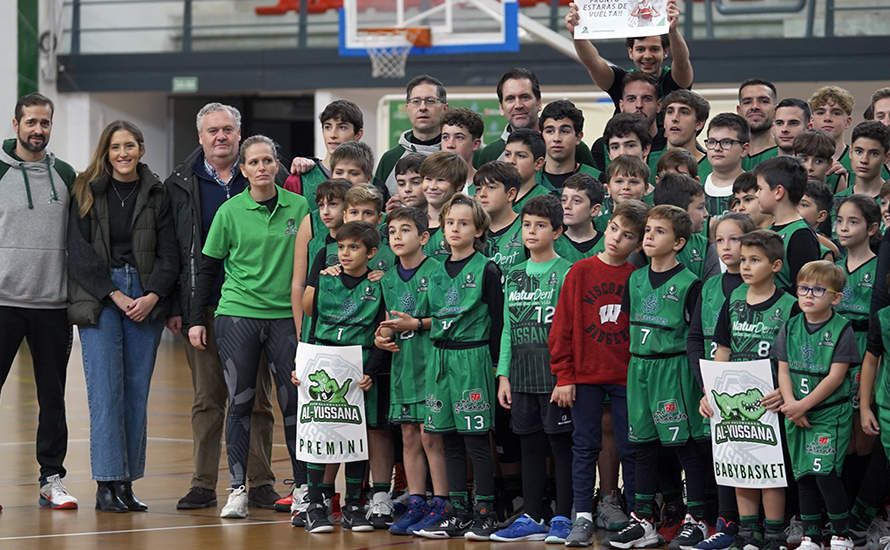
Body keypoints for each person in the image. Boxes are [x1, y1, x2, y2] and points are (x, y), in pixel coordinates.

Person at [166, 103, 283, 511]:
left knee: (257, 400)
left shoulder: (267, 175)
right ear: (200, 137)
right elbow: (176, 250)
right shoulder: (180, 184)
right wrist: (184, 309)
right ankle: (202, 483)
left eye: (228, 130)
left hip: (257, 310)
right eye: (212, 131)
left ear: (239, 134)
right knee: (208, 399)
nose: (220, 137)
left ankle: (261, 480)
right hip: (206, 308)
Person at [187, 135, 311, 519]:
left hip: (285, 319)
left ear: (277, 165)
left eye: (268, 161)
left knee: (293, 405)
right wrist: (195, 318)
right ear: (242, 170)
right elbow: (207, 267)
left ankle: (304, 488)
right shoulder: (230, 211)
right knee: (239, 403)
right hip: (238, 315)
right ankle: (237, 489)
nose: (261, 168)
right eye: (253, 162)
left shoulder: (300, 206)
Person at [66, 120, 178, 512]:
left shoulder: (157, 192)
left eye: (130, 146)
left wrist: (152, 296)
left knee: (135, 393)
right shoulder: (84, 189)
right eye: (116, 147)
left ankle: (126, 484)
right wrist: (113, 292)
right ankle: (105, 484)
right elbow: (77, 252)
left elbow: (170, 253)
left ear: (141, 149)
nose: (123, 154)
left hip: (144, 295)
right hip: (100, 297)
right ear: (106, 151)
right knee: (106, 393)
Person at [609, 204, 710, 550]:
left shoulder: (690, 283)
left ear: (679, 242)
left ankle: (698, 519)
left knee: (685, 446)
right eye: (648, 230)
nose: (649, 236)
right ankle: (643, 520)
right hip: (639, 368)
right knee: (642, 447)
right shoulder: (634, 278)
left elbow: (696, 335)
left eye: (659, 232)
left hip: (673, 367)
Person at [550, 199, 649, 547]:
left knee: (630, 446)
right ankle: (582, 516)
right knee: (584, 445)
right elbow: (561, 327)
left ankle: (637, 517)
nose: (616, 239)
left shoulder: (637, 278)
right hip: (585, 376)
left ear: (638, 245)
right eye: (613, 230)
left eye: (627, 236)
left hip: (625, 377)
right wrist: (564, 375)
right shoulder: (579, 272)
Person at [0, 92, 77, 510]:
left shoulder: (65, 174)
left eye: (45, 123)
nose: (38, 130)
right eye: (30, 122)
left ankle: (52, 479)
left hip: (52, 306)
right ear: (16, 124)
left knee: (53, 396)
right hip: (2, 303)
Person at [416, 194, 504, 540]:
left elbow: (498, 322)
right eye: (450, 222)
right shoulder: (435, 270)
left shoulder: (487, 268)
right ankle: (457, 510)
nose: (455, 229)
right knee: (448, 437)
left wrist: (499, 369)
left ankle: (485, 512)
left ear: (478, 229)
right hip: (440, 356)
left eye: (464, 223)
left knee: (475, 439)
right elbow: (429, 317)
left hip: (472, 357)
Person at [703, 230, 798, 550]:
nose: (745, 266)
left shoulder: (790, 305)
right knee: (739, 463)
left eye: (754, 260)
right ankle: (747, 532)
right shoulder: (733, 300)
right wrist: (711, 391)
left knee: (770, 466)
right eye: (743, 260)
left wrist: (785, 392)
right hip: (734, 397)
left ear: (775, 265)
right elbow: (723, 349)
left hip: (772, 398)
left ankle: (773, 531)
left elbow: (795, 357)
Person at [490, 195, 574, 543]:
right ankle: (532, 514)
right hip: (521, 373)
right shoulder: (514, 273)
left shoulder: (567, 271)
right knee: (529, 447)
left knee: (561, 446)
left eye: (540, 225)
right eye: (526, 225)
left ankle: (565, 515)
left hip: (553, 374)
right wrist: (504, 375)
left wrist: (566, 376)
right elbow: (509, 327)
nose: (531, 231)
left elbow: (570, 329)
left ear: (557, 230)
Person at [298, 221, 385, 533]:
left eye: (354, 248)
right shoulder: (325, 280)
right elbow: (310, 321)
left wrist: (371, 371)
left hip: (357, 365)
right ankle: (315, 503)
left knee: (354, 437)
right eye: (341, 248)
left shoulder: (379, 286)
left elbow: (382, 335)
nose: (345, 254)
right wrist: (302, 364)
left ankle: (354, 503)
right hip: (323, 360)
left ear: (371, 253)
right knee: (319, 432)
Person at [374, 207, 449, 536]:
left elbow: (450, 317)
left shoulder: (438, 271)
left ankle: (442, 502)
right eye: (391, 232)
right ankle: (416, 500)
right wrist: (382, 336)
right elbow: (386, 324)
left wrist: (416, 324)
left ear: (423, 237)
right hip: (404, 366)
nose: (396, 237)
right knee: (408, 435)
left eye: (404, 230)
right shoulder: (387, 277)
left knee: (431, 435)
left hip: (432, 364)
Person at [776, 261, 860, 550]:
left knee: (825, 472)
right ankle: (812, 535)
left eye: (818, 290)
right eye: (803, 288)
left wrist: (803, 406)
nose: (808, 294)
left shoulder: (842, 329)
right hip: (796, 411)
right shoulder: (790, 326)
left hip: (827, 413)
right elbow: (783, 370)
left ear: (836, 297)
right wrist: (790, 404)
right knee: (804, 474)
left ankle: (842, 533)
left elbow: (836, 377)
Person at [565, 0, 693, 111]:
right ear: (630, 52)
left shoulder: (673, 81)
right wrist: (577, 33)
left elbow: (681, 61)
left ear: (665, 51)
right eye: (640, 49)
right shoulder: (620, 81)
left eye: (654, 49)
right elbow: (592, 63)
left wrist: (672, 30)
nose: (647, 55)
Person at [475, 68, 594, 167]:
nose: (518, 105)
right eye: (510, 99)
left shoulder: (571, 146)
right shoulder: (489, 154)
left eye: (525, 97)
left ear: (539, 102)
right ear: (501, 107)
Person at [373, 75, 448, 200]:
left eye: (430, 101)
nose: (422, 107)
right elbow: (376, 210)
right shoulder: (390, 159)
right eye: (416, 101)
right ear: (407, 108)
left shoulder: (458, 154)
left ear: (445, 108)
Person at [755, 157, 820, 293]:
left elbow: (803, 287)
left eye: (760, 189)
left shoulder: (801, 235)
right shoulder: (769, 229)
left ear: (778, 191)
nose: (756, 194)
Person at [286, 99, 364, 203]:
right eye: (328, 127)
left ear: (358, 134)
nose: (333, 135)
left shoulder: (372, 182)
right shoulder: (298, 180)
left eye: (342, 127)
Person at [654, 173, 716, 280]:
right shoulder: (645, 246)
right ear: (679, 211)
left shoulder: (705, 247)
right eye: (700, 207)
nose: (706, 213)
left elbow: (711, 290)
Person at [476, 160, 526, 274]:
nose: (482, 194)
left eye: (491, 187)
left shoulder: (526, 227)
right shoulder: (470, 228)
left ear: (510, 194)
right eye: (478, 189)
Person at [539, 99, 601, 190]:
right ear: (541, 136)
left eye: (564, 131)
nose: (556, 138)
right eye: (550, 131)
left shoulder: (597, 179)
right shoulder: (529, 179)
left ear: (578, 137)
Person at [419, 151, 466, 261]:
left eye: (441, 180)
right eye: (428, 179)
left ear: (459, 186)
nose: (432, 186)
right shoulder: (412, 220)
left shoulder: (465, 224)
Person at [703, 113, 749, 218]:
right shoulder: (696, 188)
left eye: (726, 142)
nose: (717, 148)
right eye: (712, 142)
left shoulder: (755, 190)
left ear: (744, 149)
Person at [833, 121, 890, 204]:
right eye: (859, 152)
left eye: (874, 153)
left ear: (886, 157)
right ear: (850, 152)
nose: (864, 160)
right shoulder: (837, 202)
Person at [555, 173, 605, 263]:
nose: (567, 206)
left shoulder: (607, 244)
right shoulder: (553, 244)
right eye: (563, 200)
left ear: (594, 210)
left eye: (576, 201)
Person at [598, 155, 652, 233]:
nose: (626, 187)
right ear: (608, 187)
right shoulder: (597, 224)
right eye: (619, 181)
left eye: (634, 182)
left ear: (646, 188)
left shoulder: (652, 223)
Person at [504, 128, 550, 213]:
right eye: (507, 154)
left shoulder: (546, 201)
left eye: (521, 156)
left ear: (538, 163)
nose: (511, 161)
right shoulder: (496, 194)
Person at [736, 79, 778, 169]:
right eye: (747, 102)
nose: (755, 107)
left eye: (764, 101)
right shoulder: (728, 157)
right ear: (739, 111)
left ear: (776, 110)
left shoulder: (785, 155)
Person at [661, 90, 710, 166]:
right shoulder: (648, 160)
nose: (674, 118)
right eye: (670, 112)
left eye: (684, 112)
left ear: (699, 124)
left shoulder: (712, 166)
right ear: (664, 122)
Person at [441, 108, 483, 191]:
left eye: (459, 137)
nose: (450, 145)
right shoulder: (430, 188)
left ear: (475, 144)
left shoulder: (484, 187)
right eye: (445, 137)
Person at [791, 129, 842, 193]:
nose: (809, 167)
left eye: (818, 161)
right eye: (803, 160)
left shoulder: (837, 182)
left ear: (829, 164)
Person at [797, 181, 838, 260]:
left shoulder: (825, 254)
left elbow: (835, 251)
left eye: (804, 205)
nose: (795, 209)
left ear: (821, 216)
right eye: (794, 203)